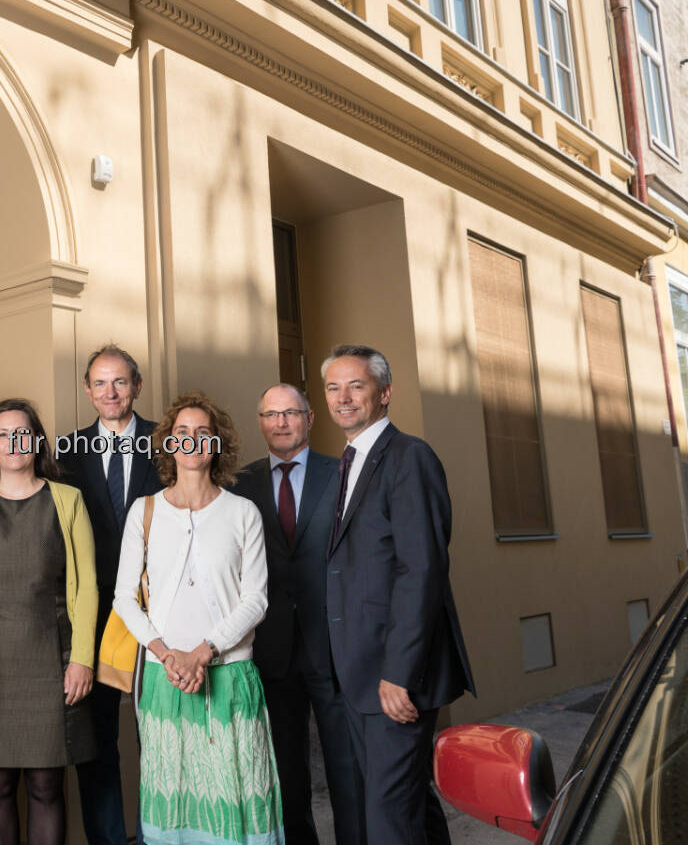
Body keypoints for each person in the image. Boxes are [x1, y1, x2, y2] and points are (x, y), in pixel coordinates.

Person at [113, 391, 284, 845]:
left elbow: (257, 600)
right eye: (180, 433)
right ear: (168, 445)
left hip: (229, 678)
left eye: (202, 433)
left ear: (216, 445)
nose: (190, 441)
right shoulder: (143, 512)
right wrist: (168, 654)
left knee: (236, 804)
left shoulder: (242, 512)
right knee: (174, 810)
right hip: (162, 680)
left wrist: (203, 653)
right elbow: (124, 598)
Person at [321, 345, 474, 845]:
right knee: (405, 800)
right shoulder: (349, 462)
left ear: (384, 393)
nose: (342, 398)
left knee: (388, 817)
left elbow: (422, 569)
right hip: (360, 672)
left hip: (393, 676)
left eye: (356, 386)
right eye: (332, 388)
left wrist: (398, 674)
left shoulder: (410, 457)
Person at [0, 398, 97, 845]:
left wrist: (83, 660)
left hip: (52, 661)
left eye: (22, 433)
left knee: (46, 785)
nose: (12, 442)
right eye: (2, 434)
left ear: (36, 441)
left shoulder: (67, 499)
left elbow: (87, 585)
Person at [232, 384, 365, 845]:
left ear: (310, 419)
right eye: (271, 414)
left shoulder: (344, 473)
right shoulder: (239, 484)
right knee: (286, 773)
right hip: (271, 649)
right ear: (261, 421)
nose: (281, 422)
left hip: (333, 646)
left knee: (347, 768)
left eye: (290, 413)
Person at [56, 344, 162, 845]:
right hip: (94, 610)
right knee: (97, 735)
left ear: (137, 386)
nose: (110, 392)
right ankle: (108, 838)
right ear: (87, 390)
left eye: (120, 382)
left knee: (159, 730)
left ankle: (161, 833)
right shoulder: (67, 451)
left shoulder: (165, 443)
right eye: (100, 383)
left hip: (160, 608)